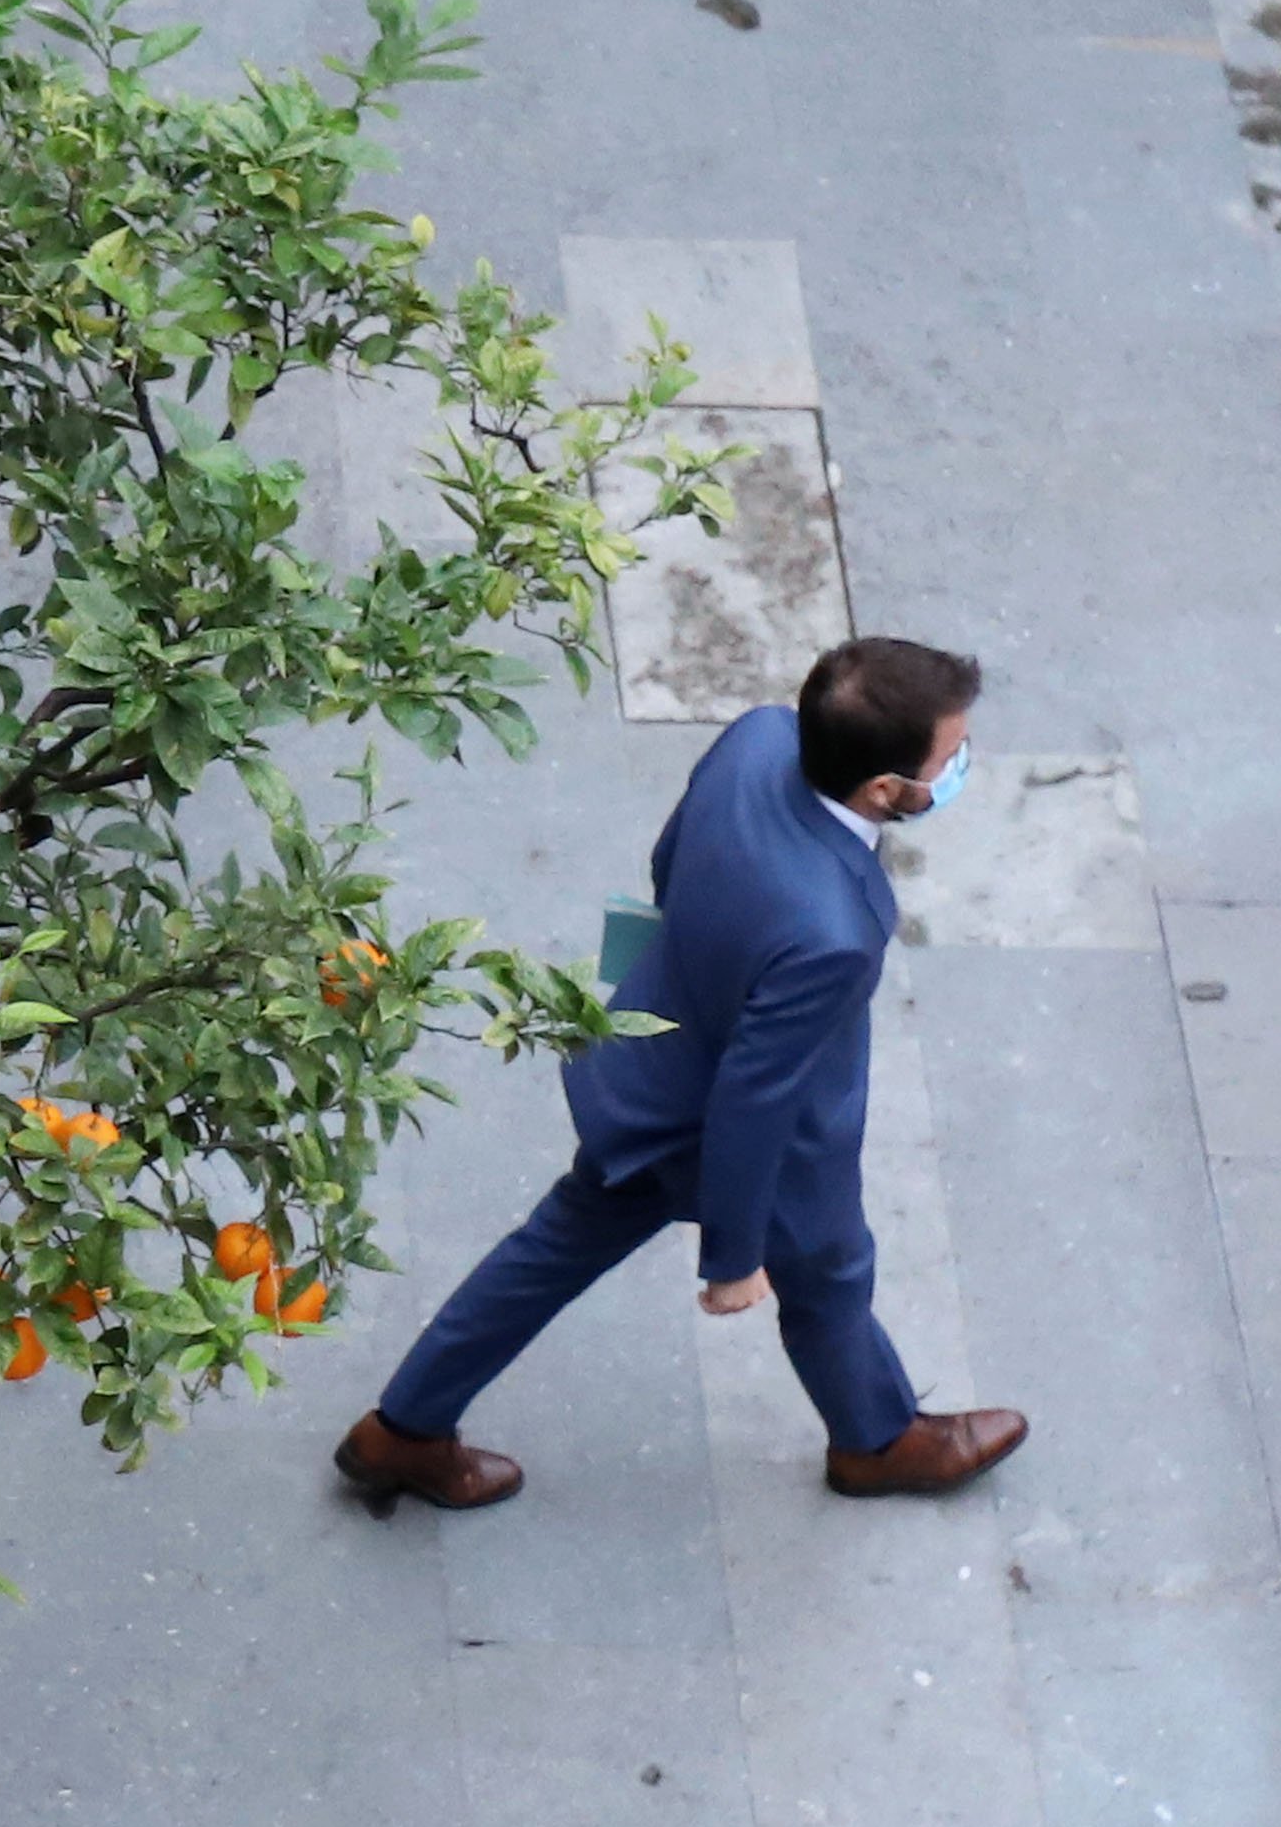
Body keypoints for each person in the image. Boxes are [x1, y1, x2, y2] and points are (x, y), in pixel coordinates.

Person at [334, 634, 1029, 1513]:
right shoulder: (836, 932)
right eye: (950, 757)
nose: (961, 763)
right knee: (830, 1271)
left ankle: (402, 1429)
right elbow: (756, 1095)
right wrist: (732, 1257)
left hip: (646, 1067)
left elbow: (671, 863)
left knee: (555, 1245)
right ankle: (878, 1444)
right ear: (884, 791)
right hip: (735, 1140)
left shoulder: (761, 738)